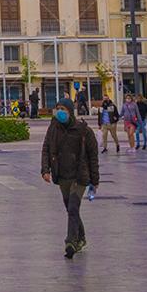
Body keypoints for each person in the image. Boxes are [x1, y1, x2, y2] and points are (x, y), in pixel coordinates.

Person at [41, 97, 99, 259]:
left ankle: (71, 242)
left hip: (79, 176)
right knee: (71, 209)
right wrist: (45, 170)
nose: (60, 112)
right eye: (58, 108)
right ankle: (81, 238)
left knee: (73, 207)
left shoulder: (83, 130)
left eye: (63, 109)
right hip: (62, 176)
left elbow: (93, 156)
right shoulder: (53, 128)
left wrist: (95, 181)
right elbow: (46, 149)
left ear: (70, 112)